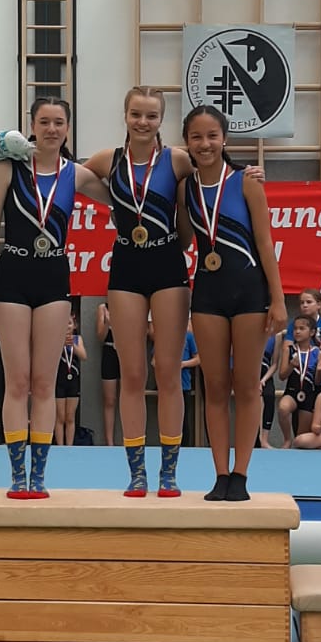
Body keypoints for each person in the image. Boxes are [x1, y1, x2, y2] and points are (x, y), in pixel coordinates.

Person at [0, 97, 110, 498]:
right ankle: (18, 475)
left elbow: (122, 196)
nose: (52, 129)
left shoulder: (76, 174)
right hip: (13, 276)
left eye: (59, 122)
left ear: (68, 128)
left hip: (53, 277)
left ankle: (40, 476)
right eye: (44, 122)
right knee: (17, 382)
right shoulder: (8, 168)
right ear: (31, 126)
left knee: (44, 383)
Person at [83, 87, 195, 498]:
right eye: (136, 114)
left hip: (167, 264)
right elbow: (62, 175)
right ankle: (137, 473)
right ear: (125, 115)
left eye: (151, 116)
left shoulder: (177, 160)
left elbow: (216, 174)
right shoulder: (107, 160)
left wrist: (248, 173)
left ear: (161, 119)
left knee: (167, 371)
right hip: (127, 264)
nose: (143, 122)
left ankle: (169, 472)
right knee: (132, 374)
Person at [179, 106, 286, 500]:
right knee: (215, 386)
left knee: (246, 386)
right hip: (208, 293)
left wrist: (278, 299)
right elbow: (183, 239)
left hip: (249, 294)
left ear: (224, 139)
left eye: (212, 136)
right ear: (186, 142)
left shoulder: (246, 182)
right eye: (196, 136)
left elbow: (265, 243)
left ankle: (241, 474)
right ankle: (220, 474)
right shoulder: (185, 188)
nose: (205, 144)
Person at [276, 316, 321, 448]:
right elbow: (282, 376)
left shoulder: (318, 353)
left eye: (302, 328)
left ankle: (295, 445)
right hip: (292, 391)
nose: (297, 331)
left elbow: (318, 382)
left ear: (312, 332)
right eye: (295, 329)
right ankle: (287, 439)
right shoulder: (289, 350)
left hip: (309, 394)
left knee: (301, 439)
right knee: (283, 408)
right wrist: (291, 365)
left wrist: (319, 370)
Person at [55, 308, 86, 445]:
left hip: (73, 382)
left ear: (74, 325)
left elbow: (84, 356)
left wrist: (73, 344)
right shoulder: (56, 340)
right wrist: (60, 344)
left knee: (70, 417)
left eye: (69, 323)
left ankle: (69, 446)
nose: (66, 327)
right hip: (59, 381)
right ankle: (60, 446)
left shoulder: (77, 339)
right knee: (60, 417)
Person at [96, 299, 120, 446]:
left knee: (130, 396)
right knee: (109, 399)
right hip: (109, 350)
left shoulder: (130, 304)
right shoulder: (103, 308)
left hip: (126, 350)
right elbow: (100, 336)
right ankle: (109, 442)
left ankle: (131, 438)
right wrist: (108, 323)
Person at [259, 332, 278, 448]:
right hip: (248, 372)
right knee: (256, 396)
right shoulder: (248, 331)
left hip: (265, 374)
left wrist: (263, 380)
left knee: (269, 395)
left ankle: (264, 439)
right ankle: (256, 438)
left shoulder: (276, 336)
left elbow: (274, 364)